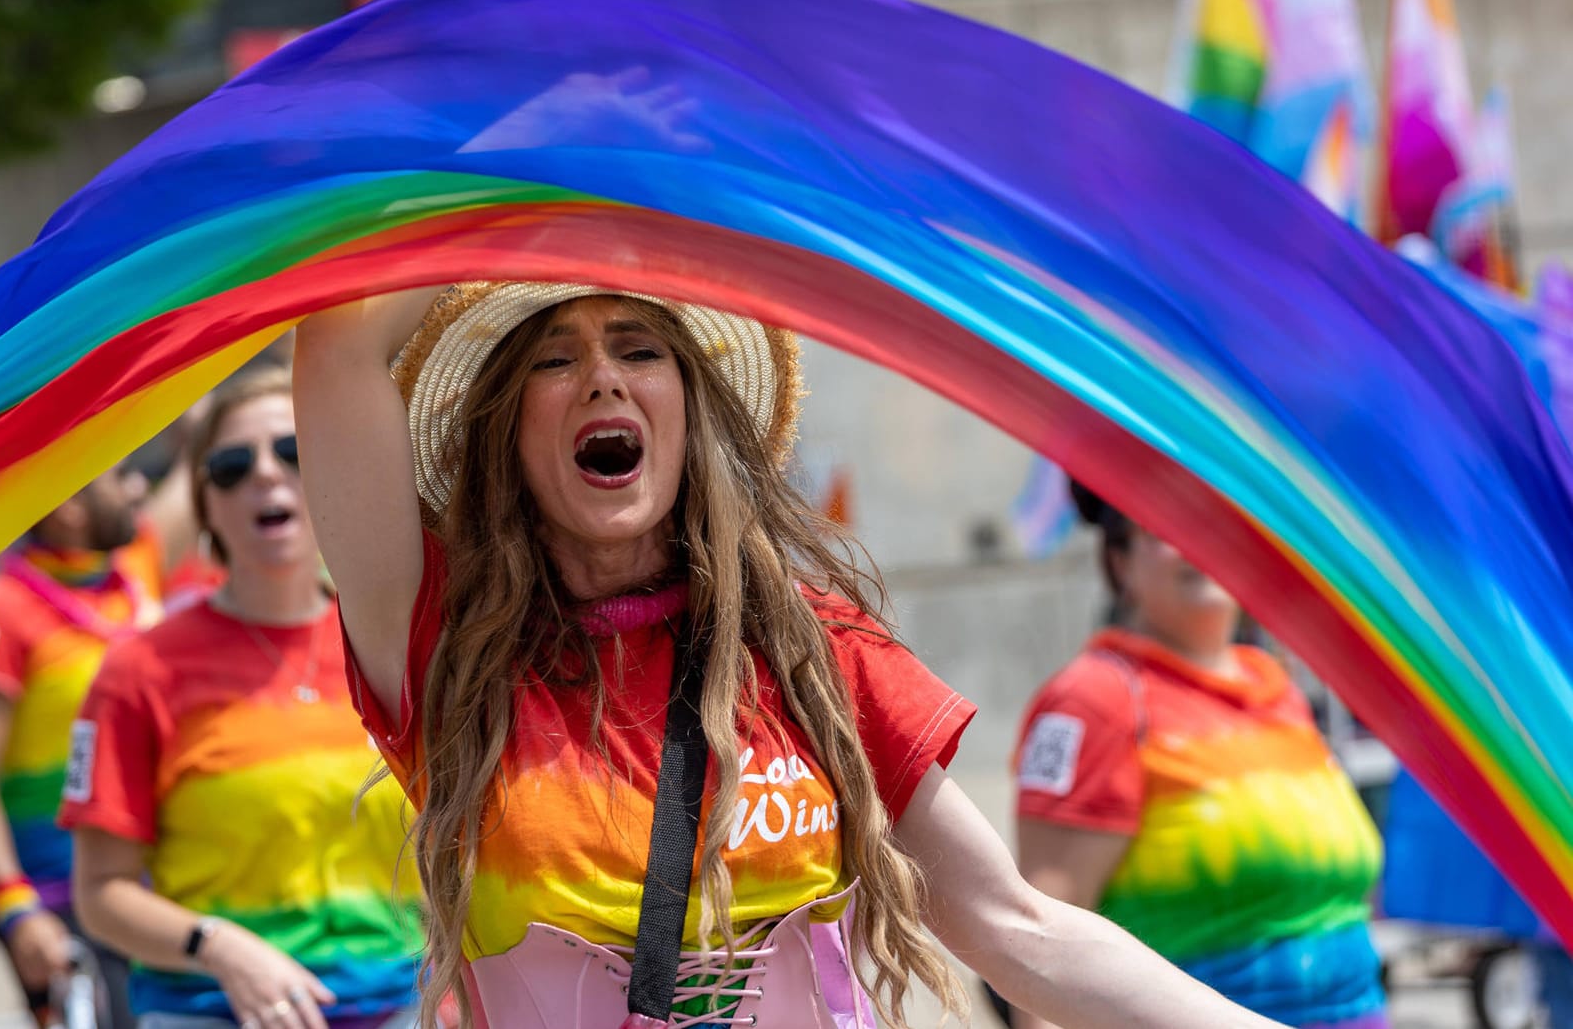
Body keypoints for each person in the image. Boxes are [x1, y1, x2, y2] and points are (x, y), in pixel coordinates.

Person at [294, 281, 1290, 1028]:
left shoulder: (816, 649)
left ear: (688, 412)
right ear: (508, 432)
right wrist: (552, 188)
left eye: (639, 348)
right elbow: (337, 347)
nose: (603, 374)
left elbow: (1017, 928)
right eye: (554, 359)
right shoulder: (445, 649)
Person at [62, 369, 424, 1029]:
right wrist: (219, 949)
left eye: (291, 452)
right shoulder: (139, 670)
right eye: (232, 465)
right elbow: (100, 894)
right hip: (213, 1010)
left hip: (398, 1006)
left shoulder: (392, 641)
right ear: (205, 505)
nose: (265, 475)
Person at [1010, 482, 1388, 1029]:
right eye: (1166, 528)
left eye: (1215, 525)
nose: (1196, 543)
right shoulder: (1093, 701)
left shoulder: (1276, 688)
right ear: (1119, 561)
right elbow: (1040, 946)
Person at [0, 472, 164, 1027]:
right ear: (67, 506)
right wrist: (14, 905)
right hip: (63, 903)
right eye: (117, 476)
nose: (136, 488)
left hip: (161, 886)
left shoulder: (133, 579)